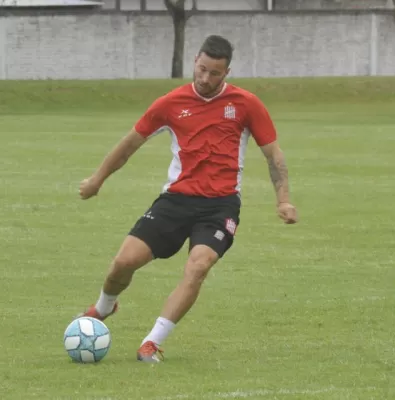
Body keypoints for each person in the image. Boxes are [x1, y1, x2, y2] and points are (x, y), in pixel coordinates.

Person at [77, 35, 298, 363]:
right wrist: (97, 179)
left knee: (198, 266)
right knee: (124, 262)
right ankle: (105, 306)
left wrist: (283, 200)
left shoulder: (246, 104)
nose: (206, 79)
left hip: (221, 205)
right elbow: (129, 144)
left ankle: (152, 342)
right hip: (175, 201)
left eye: (215, 74)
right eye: (202, 69)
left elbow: (273, 155)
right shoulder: (170, 103)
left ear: (227, 73)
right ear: (195, 61)